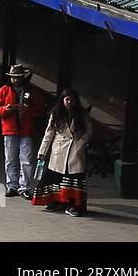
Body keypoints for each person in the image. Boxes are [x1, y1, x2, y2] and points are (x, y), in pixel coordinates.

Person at [0, 63, 47, 199]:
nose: (15, 80)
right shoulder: (3, 90)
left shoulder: (32, 91)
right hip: (10, 130)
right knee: (10, 159)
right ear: (10, 78)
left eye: (18, 77)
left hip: (26, 130)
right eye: (13, 77)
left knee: (26, 160)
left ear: (23, 77)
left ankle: (25, 187)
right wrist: (6, 109)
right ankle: (12, 186)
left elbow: (40, 109)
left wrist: (29, 110)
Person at [33, 88, 92, 216]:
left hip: (75, 149)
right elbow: (49, 134)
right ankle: (55, 201)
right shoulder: (56, 114)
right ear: (62, 100)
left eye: (72, 99)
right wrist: (42, 151)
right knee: (54, 176)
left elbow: (88, 131)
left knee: (74, 177)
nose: (70, 102)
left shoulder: (81, 114)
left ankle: (74, 205)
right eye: (67, 99)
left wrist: (81, 143)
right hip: (59, 149)